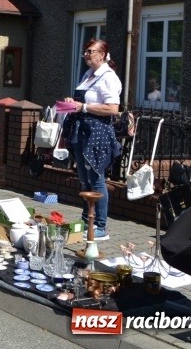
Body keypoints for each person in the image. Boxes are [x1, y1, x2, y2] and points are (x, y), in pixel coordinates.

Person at [61, 38, 122, 241]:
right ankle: (87, 219)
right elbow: (82, 102)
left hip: (97, 131)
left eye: (90, 51)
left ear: (102, 54)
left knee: (96, 178)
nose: (86, 54)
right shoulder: (88, 74)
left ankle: (101, 225)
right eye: (85, 51)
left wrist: (83, 107)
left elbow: (113, 109)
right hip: (82, 129)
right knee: (84, 177)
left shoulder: (108, 77)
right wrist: (73, 103)